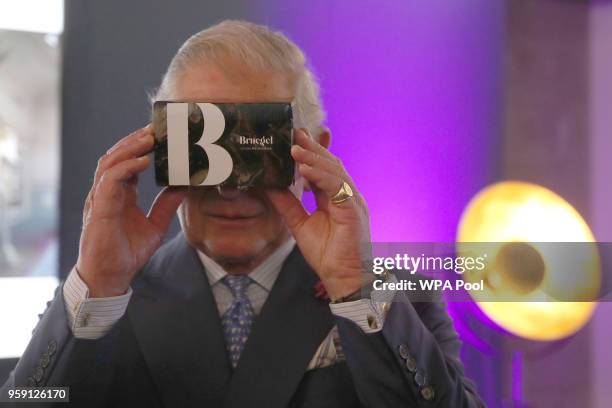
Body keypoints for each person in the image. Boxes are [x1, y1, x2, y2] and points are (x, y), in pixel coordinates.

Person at [1, 20, 484, 407]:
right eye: (204, 153)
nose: (231, 187)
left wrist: (355, 289)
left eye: (257, 149)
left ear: (313, 154)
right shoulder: (102, 299)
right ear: (161, 149)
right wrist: (99, 286)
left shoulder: (400, 296)